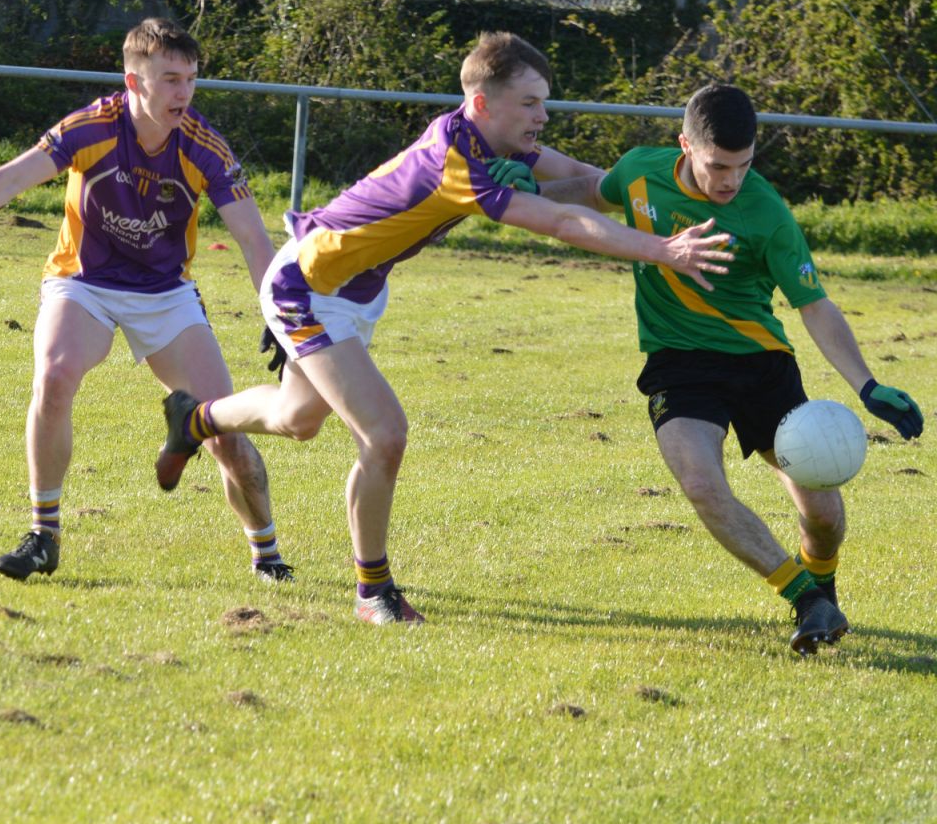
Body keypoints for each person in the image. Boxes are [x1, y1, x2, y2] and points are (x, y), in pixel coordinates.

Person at [153, 32, 736, 625]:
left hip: (358, 292)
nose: (544, 114)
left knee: (297, 421)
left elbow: (593, 184)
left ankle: (195, 418)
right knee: (385, 436)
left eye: (545, 101)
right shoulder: (457, 160)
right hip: (305, 287)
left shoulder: (492, 143)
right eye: (530, 102)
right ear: (483, 103)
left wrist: (679, 181)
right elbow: (562, 221)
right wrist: (663, 249)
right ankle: (372, 590)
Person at [490, 82, 924, 654]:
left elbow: (814, 306)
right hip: (679, 364)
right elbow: (596, 191)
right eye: (719, 165)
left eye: (743, 166)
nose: (731, 180)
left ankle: (822, 578)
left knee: (822, 515)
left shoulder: (766, 213)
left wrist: (866, 384)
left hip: (761, 364)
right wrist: (533, 192)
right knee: (699, 480)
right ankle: (805, 599)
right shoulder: (642, 171)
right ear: (685, 146)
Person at [0, 17, 293, 583]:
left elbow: (253, 237)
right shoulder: (91, 127)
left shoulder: (203, 145)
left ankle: (266, 552)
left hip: (165, 294)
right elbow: (13, 176)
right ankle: (44, 534)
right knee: (55, 374)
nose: (183, 93)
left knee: (226, 437)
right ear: (134, 81)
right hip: (83, 282)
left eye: (190, 79)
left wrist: (278, 313)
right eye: (169, 79)